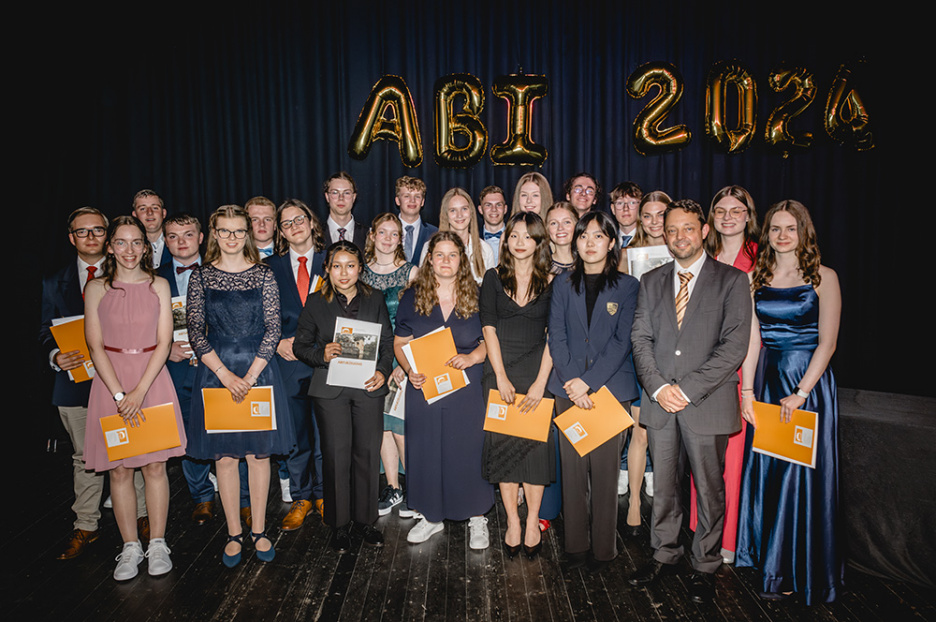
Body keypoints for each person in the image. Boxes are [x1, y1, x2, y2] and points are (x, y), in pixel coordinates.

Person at [629, 199, 752, 604]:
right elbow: (640, 338)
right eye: (672, 230)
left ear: (703, 231)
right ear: (663, 236)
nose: (679, 236)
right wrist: (660, 387)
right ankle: (664, 554)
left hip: (707, 403)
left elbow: (734, 346)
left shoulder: (732, 281)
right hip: (660, 403)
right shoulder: (651, 281)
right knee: (663, 488)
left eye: (687, 229)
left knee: (709, 490)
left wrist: (687, 389)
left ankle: (705, 564)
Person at [736, 200, 842, 604]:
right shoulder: (754, 277)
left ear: (804, 233)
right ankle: (771, 561)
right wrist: (747, 391)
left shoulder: (823, 277)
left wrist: (801, 392)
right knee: (771, 471)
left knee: (799, 475)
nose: (782, 236)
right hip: (766, 380)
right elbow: (751, 340)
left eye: (790, 229)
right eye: (776, 229)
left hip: (807, 385)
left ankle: (800, 569)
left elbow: (828, 342)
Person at [185, 205, 295, 568]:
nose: (232, 238)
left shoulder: (264, 275)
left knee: (259, 455)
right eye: (225, 231)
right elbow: (195, 333)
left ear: (247, 234)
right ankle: (234, 533)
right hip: (216, 374)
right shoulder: (200, 277)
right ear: (214, 234)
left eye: (238, 231)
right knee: (225, 457)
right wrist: (224, 375)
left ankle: (260, 530)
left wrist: (247, 377)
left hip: (259, 372)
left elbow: (273, 328)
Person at [83, 215, 187, 580]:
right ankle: (130, 547)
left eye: (136, 242)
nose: (129, 250)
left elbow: (164, 341)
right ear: (110, 246)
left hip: (152, 381)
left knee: (155, 466)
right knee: (121, 469)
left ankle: (157, 542)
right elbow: (94, 345)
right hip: (110, 385)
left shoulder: (159, 285)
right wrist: (118, 394)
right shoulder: (95, 288)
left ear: (146, 246)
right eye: (122, 242)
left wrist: (140, 391)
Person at [41, 208, 147, 559]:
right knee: (85, 457)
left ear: (109, 236)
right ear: (71, 237)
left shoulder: (134, 276)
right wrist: (55, 355)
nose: (90, 237)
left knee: (134, 450)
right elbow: (44, 330)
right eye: (81, 232)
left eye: (98, 230)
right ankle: (86, 525)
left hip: (127, 381)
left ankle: (143, 518)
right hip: (76, 386)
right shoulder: (53, 282)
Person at [548, 211, 640, 573]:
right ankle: (574, 549)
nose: (589, 243)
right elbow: (556, 336)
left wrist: (589, 382)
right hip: (567, 390)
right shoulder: (562, 284)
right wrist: (573, 382)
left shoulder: (629, 286)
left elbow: (622, 342)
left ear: (612, 243)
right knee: (572, 474)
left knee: (604, 476)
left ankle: (604, 551)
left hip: (609, 391)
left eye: (598, 236)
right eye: (584, 235)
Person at [293, 241, 394, 552]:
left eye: (350, 265)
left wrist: (382, 370)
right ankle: (338, 526)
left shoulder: (374, 298)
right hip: (330, 391)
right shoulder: (314, 302)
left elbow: (387, 343)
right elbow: (300, 347)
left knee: (366, 455)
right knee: (336, 457)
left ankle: (365, 522)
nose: (344, 272)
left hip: (367, 387)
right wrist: (321, 354)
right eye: (337, 266)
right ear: (327, 269)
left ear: (360, 268)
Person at [395, 232, 493, 547]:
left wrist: (471, 358)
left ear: (461, 260)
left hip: (467, 387)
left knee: (468, 450)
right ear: (430, 260)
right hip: (424, 388)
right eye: (440, 254)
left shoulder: (478, 295)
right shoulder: (412, 296)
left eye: (453, 255)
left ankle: (477, 517)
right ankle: (431, 516)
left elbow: (488, 341)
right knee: (426, 451)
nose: (446, 261)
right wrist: (410, 371)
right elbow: (400, 342)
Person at [687, 185, 760, 563]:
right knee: (703, 457)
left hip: (745, 370)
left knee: (734, 459)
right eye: (721, 210)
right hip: (701, 370)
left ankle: (730, 540)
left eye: (737, 209)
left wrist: (746, 386)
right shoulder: (705, 257)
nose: (728, 216)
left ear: (749, 215)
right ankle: (703, 531)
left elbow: (752, 329)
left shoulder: (761, 259)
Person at [480, 212, 555, 560]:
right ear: (506, 241)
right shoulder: (492, 278)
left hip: (538, 375)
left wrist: (541, 383)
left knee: (535, 453)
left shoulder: (555, 281)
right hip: (499, 374)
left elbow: (557, 336)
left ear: (539, 241)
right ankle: (512, 520)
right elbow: (489, 329)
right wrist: (500, 377)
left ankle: (532, 522)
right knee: (505, 452)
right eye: (514, 236)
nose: (520, 241)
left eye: (528, 236)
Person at [265, 199, 327, 531]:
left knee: (325, 435)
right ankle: (302, 497)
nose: (294, 226)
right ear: (280, 231)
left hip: (327, 364)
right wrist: (275, 342)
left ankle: (323, 495)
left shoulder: (332, 260)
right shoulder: (268, 268)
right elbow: (257, 317)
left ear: (311, 222)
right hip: (288, 364)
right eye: (286, 223)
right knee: (297, 436)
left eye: (298, 219)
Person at [157, 213, 217, 526]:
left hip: (217, 367)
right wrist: (166, 349)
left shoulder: (220, 269)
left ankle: (243, 499)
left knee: (228, 430)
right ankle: (202, 497)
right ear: (164, 240)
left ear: (201, 237)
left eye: (188, 235)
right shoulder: (153, 277)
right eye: (173, 236)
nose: (181, 242)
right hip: (176, 368)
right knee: (188, 434)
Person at [360, 213, 417, 517]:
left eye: (394, 234)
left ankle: (417, 490)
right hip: (369, 359)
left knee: (401, 426)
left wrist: (405, 363)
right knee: (381, 424)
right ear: (372, 235)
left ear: (400, 239)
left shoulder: (412, 273)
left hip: (402, 357)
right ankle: (393, 487)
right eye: (382, 232)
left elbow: (421, 321)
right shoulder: (360, 273)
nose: (387, 238)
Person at [419, 187, 494, 284]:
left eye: (464, 209)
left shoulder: (485, 250)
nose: (459, 215)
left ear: (471, 211)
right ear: (446, 214)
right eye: (453, 210)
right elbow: (423, 285)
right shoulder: (429, 247)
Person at [394, 176, 437, 264]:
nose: (412, 200)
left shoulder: (435, 233)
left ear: (422, 202)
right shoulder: (384, 231)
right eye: (407, 196)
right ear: (398, 201)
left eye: (417, 196)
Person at [323, 172, 367, 250]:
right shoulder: (314, 235)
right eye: (335, 192)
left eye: (346, 193)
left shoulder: (369, 235)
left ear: (354, 197)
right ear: (327, 197)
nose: (341, 198)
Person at [132, 189, 171, 268]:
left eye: (155, 208)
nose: (149, 212)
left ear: (163, 213)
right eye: (143, 209)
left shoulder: (177, 243)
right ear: (135, 215)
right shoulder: (129, 248)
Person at [477, 185, 509, 263]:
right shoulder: (472, 239)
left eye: (498, 205)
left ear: (505, 209)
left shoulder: (515, 238)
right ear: (480, 209)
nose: (494, 209)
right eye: (488, 205)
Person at [545, 201, 578, 274]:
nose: (560, 228)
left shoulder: (587, 266)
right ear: (547, 229)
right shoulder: (540, 269)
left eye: (566, 222)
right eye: (554, 223)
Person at [609, 182, 643, 248]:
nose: (626, 208)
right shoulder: (607, 243)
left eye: (632, 203)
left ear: (640, 207)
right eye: (620, 203)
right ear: (613, 209)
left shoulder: (650, 241)